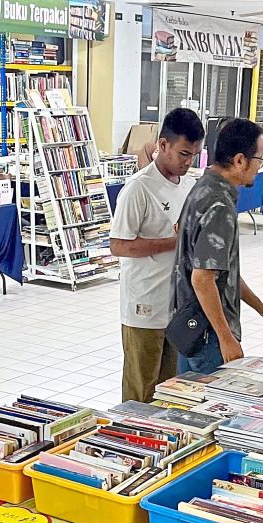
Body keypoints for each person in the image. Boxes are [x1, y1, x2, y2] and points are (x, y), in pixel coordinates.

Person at [167, 117, 263, 374]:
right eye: (259, 160)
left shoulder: (202, 188)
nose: (259, 167)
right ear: (240, 160)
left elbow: (220, 272)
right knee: (213, 400)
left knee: (188, 398)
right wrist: (225, 337)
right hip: (208, 336)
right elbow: (202, 279)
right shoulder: (219, 205)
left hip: (191, 329)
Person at [110, 107, 204, 401]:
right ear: (163, 145)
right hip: (144, 306)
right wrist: (172, 242)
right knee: (141, 391)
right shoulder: (139, 188)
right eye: (183, 154)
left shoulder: (190, 185)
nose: (188, 162)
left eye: (194, 155)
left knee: (170, 391)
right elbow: (118, 245)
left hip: (178, 306)